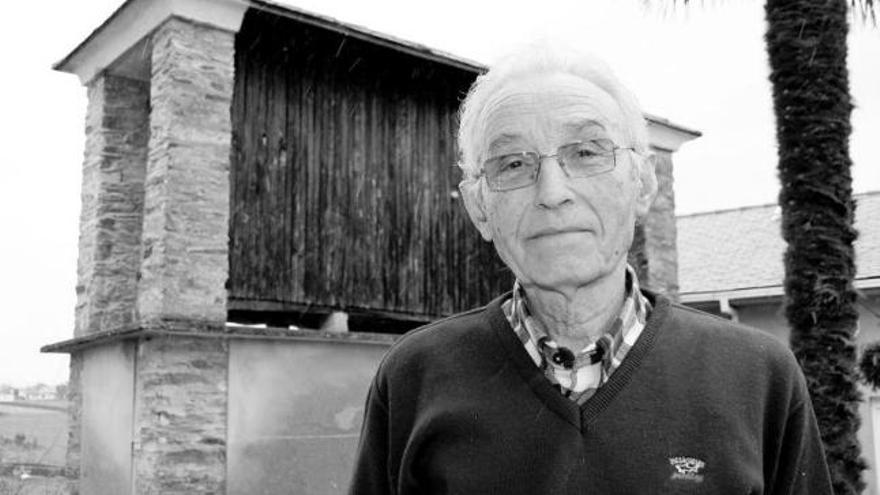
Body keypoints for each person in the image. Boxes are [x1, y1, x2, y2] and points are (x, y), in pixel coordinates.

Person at [348, 43, 833, 494]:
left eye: (585, 153)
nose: (552, 191)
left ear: (642, 184)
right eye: (513, 164)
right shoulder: (415, 377)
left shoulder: (758, 377)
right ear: (479, 208)